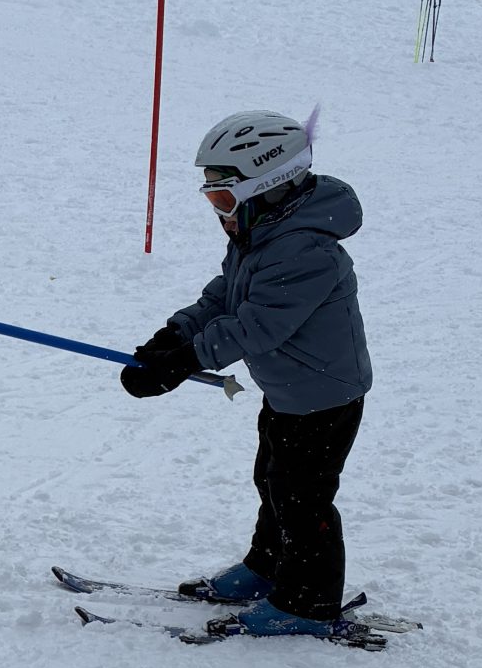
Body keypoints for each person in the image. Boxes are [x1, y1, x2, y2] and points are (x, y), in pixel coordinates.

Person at [121, 112, 372, 640]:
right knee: (272, 482)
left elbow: (256, 325)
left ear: (269, 187)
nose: (218, 213)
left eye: (224, 199)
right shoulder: (262, 233)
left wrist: (186, 360)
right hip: (287, 392)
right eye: (211, 198)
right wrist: (174, 335)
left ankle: (309, 602)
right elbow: (224, 297)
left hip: (324, 397)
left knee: (303, 499)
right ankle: (268, 567)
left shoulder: (306, 251)